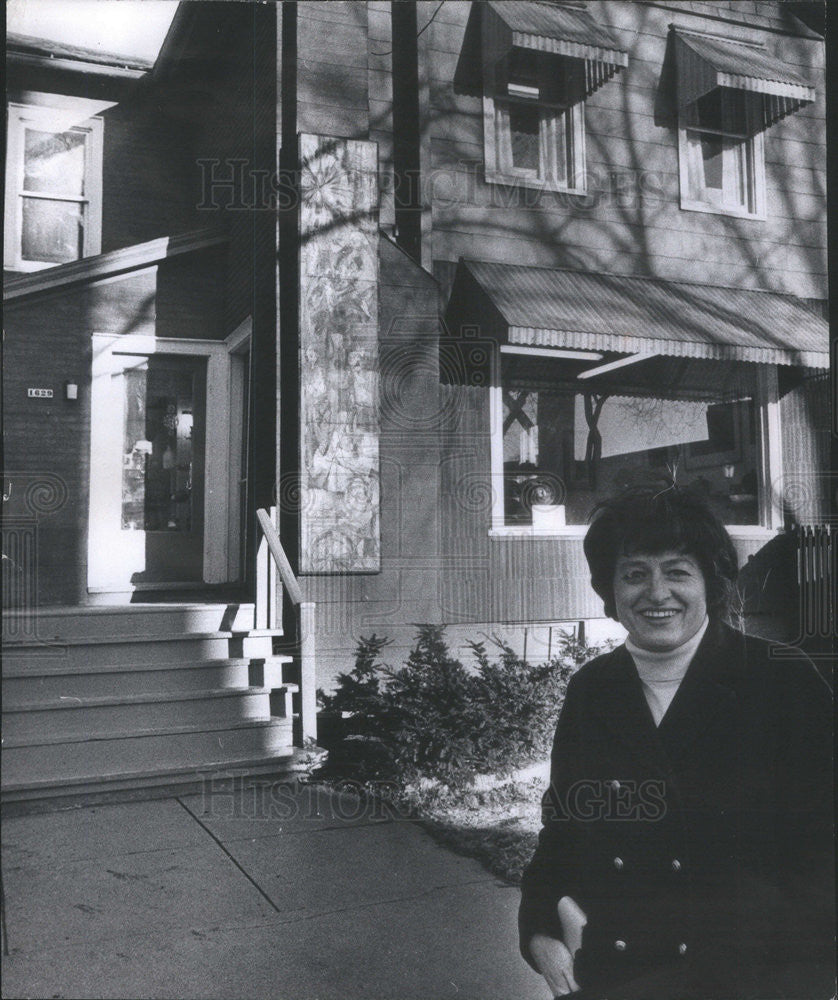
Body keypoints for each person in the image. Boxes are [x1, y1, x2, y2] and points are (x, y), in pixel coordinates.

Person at [518, 486, 834, 999]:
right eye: (635, 573)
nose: (656, 592)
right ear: (610, 589)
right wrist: (539, 929)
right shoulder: (593, 689)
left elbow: (826, 854)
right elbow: (563, 830)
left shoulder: (781, 681)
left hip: (752, 981)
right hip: (616, 975)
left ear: (710, 583)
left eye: (677, 571)